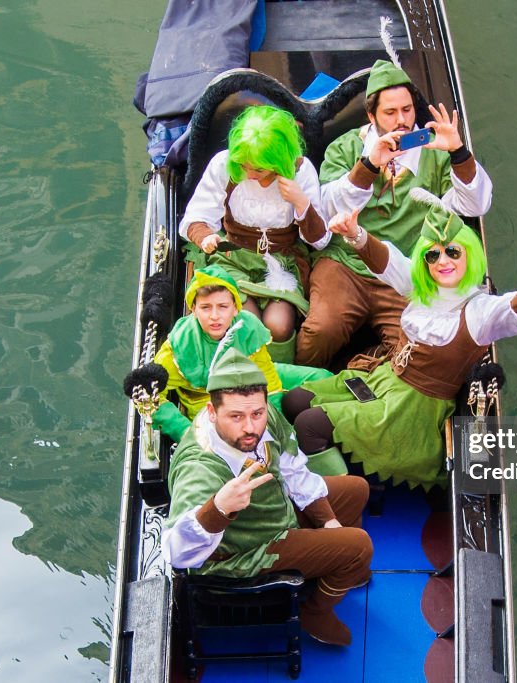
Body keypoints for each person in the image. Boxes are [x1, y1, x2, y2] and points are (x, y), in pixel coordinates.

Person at [283, 201, 517, 490]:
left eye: (453, 252)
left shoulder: (480, 312)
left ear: (470, 255)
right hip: (383, 381)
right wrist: (355, 232)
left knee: (309, 425)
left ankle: (330, 497)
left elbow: (514, 310)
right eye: (433, 255)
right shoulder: (423, 288)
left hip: (413, 413)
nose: (443, 261)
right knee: (293, 400)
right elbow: (387, 263)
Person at [162, 347, 373, 646]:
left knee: (356, 490)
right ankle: (316, 610)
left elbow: (293, 468)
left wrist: (328, 523)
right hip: (244, 550)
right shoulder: (201, 468)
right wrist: (218, 509)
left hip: (273, 507)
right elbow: (176, 553)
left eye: (257, 413)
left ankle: (335, 573)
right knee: (359, 546)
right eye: (236, 416)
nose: (250, 427)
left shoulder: (263, 415)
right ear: (211, 412)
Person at [295, 58, 493, 367]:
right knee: (321, 330)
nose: (401, 121)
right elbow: (329, 210)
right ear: (371, 115)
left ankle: (359, 373)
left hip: (405, 271)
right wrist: (369, 165)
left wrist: (458, 152)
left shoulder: (435, 152)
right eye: (390, 112)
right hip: (347, 264)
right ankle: (292, 385)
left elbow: (475, 206)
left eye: (407, 110)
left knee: (417, 348)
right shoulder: (345, 148)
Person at [180, 105, 330, 363]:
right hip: (233, 257)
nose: (249, 174)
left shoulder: (301, 171)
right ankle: (239, 381)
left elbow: (318, 240)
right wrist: (206, 237)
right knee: (244, 321)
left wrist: (300, 202)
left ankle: (276, 382)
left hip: (280, 262)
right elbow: (195, 217)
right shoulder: (223, 164)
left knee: (278, 325)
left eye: (258, 169)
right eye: (244, 165)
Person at [151, 265, 330, 443]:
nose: (215, 316)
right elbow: (151, 395)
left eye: (222, 306)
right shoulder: (180, 344)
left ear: (236, 308)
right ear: (194, 310)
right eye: (206, 307)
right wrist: (184, 431)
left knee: (323, 379)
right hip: (210, 399)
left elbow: (268, 377)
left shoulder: (248, 326)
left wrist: (275, 423)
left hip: (252, 380)